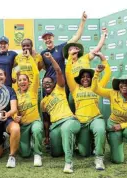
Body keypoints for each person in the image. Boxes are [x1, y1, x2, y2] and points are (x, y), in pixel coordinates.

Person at [40, 12, 87, 147]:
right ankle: (48, 139)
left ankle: (66, 135)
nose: (48, 40)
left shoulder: (61, 48)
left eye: (49, 37)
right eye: (45, 38)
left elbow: (76, 37)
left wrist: (82, 21)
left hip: (61, 85)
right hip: (48, 86)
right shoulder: (43, 53)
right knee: (47, 114)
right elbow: (42, 67)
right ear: (44, 41)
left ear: (53, 38)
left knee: (64, 109)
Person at [91, 69, 127, 177]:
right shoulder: (112, 93)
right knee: (117, 160)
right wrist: (96, 73)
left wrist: (122, 126)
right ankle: (114, 148)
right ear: (118, 85)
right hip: (113, 127)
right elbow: (95, 89)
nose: (124, 85)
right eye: (122, 82)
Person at [65, 50, 111, 170]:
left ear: (91, 78)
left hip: (95, 118)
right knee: (84, 153)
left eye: (88, 77)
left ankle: (99, 158)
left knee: (100, 129)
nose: (85, 79)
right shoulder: (75, 89)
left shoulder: (97, 86)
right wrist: (70, 56)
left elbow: (108, 74)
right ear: (80, 79)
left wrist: (103, 58)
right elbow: (68, 72)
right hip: (81, 122)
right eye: (83, 77)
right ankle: (89, 144)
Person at [41, 52, 80, 173]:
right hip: (55, 126)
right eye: (44, 82)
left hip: (69, 120)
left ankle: (69, 163)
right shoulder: (43, 102)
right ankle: (69, 143)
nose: (47, 84)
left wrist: (51, 58)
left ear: (54, 84)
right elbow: (46, 120)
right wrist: (47, 136)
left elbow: (58, 71)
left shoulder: (60, 88)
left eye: (49, 82)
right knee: (56, 153)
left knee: (66, 129)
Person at [62, 28, 108, 112]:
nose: (72, 50)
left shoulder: (85, 57)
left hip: (89, 89)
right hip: (75, 91)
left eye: (74, 48)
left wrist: (104, 35)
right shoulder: (67, 65)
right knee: (74, 114)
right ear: (68, 53)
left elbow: (98, 47)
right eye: (70, 49)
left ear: (78, 50)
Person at [13, 49, 43, 167]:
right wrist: (15, 117)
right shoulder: (15, 93)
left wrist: (30, 57)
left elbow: (36, 74)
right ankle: (29, 144)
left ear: (28, 82)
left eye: (24, 80)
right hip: (23, 125)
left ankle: (37, 154)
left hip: (35, 121)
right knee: (25, 154)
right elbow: (14, 109)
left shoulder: (33, 90)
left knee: (36, 130)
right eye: (20, 80)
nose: (22, 82)